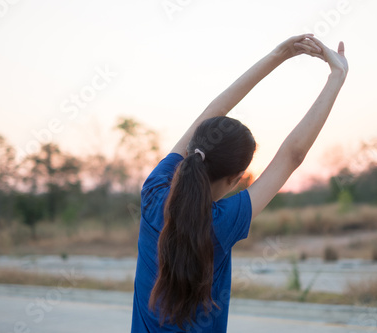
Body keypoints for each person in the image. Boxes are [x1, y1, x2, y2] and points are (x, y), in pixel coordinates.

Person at [131, 34, 348, 332]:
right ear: (235, 180)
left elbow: (211, 114)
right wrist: (338, 75)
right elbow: (292, 156)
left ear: (194, 148)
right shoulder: (222, 223)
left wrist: (278, 54)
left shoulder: (154, 191)